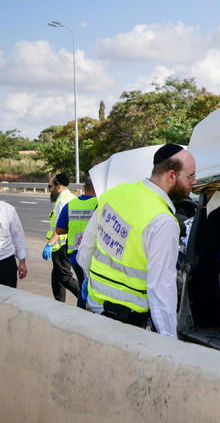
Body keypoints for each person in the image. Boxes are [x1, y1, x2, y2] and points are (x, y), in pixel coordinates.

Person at [77, 144, 196, 337]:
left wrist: (91, 287)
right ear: (171, 175)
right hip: (127, 323)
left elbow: (86, 249)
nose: (194, 182)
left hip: (95, 307)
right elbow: (161, 289)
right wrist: (170, 340)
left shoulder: (115, 193)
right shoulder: (163, 221)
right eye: (190, 176)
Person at [54, 176, 97, 308]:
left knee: (83, 287)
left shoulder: (71, 204)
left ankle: (81, 316)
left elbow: (59, 230)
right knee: (93, 290)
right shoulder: (100, 204)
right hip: (93, 256)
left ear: (84, 188)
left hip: (75, 255)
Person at [43, 173, 78, 302]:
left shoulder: (62, 201)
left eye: (50, 186)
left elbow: (60, 227)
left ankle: (84, 299)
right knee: (57, 276)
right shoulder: (71, 197)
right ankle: (59, 302)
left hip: (62, 245)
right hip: (65, 244)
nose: (49, 190)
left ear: (58, 187)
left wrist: (49, 244)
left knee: (64, 277)